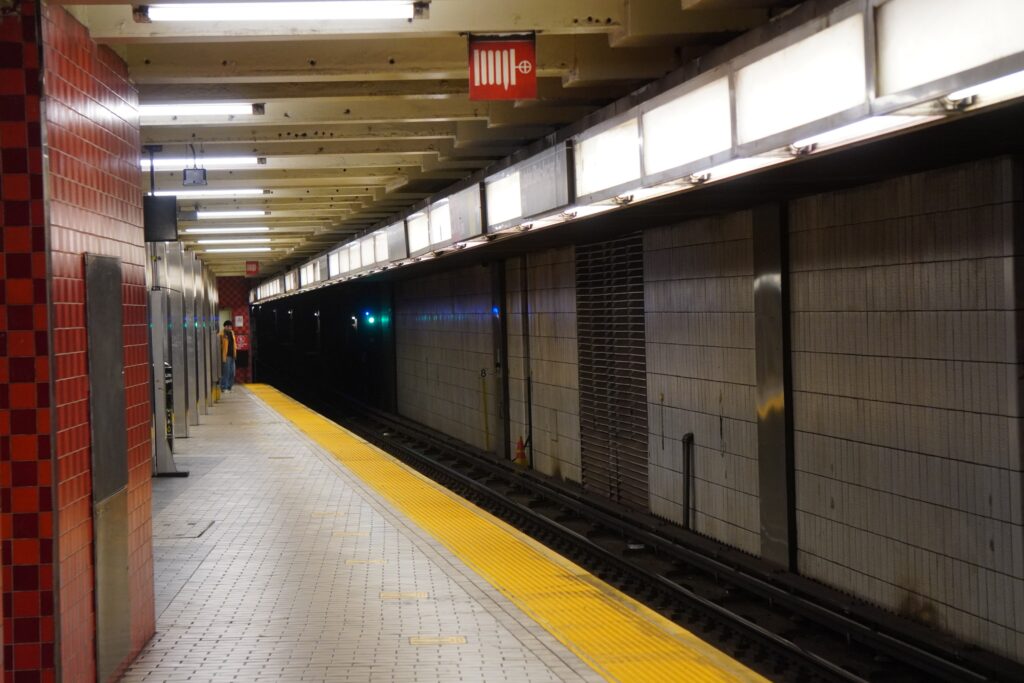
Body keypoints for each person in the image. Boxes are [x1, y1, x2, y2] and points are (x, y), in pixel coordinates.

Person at [220, 320, 237, 392]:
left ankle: (229, 386)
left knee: (232, 372)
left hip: (232, 355)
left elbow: (234, 344)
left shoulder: (232, 333)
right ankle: (224, 387)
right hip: (226, 355)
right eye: (229, 326)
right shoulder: (221, 334)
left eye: (231, 326)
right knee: (226, 372)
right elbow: (220, 345)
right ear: (225, 326)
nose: (230, 328)